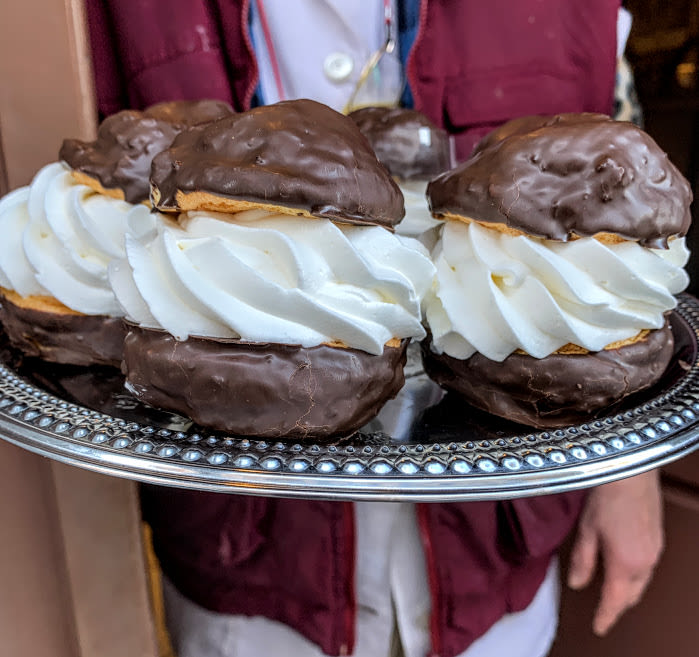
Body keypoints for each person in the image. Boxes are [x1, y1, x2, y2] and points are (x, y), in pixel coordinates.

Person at [85, 1, 665, 655]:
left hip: (496, 548)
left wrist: (627, 471)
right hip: (250, 567)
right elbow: (97, 218)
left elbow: (618, 208)